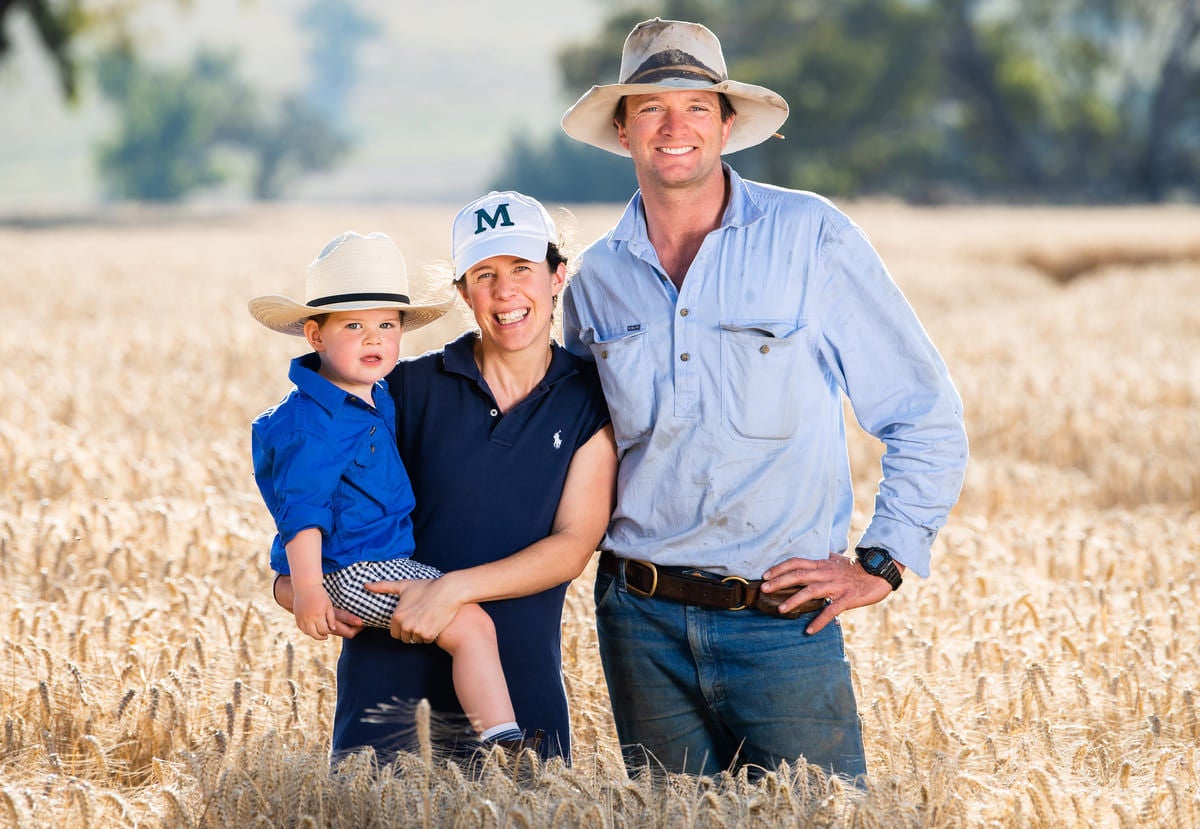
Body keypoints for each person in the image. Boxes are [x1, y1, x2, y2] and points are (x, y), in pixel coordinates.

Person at [560, 18, 969, 780]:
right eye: (650, 107)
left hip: (782, 622)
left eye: (696, 106)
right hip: (637, 621)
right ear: (623, 131)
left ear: (727, 123)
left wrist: (882, 560)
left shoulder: (810, 236)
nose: (674, 126)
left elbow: (924, 412)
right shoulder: (592, 279)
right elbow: (572, 451)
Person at [273, 193, 618, 763]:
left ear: (558, 277)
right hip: (389, 689)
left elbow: (572, 546)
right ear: (463, 291)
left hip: (515, 687)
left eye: (522, 270)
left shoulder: (589, 398)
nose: (505, 292)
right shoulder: (403, 390)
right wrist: (292, 586)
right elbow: (308, 489)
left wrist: (450, 591)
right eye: (484, 275)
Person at [250, 231, 535, 748]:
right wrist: (309, 589)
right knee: (471, 626)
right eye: (354, 326)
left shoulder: (372, 395)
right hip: (359, 566)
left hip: (356, 564)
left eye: (387, 325)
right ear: (315, 335)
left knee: (463, 621)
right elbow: (302, 511)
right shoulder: (312, 424)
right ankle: (505, 741)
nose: (374, 339)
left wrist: (292, 588)